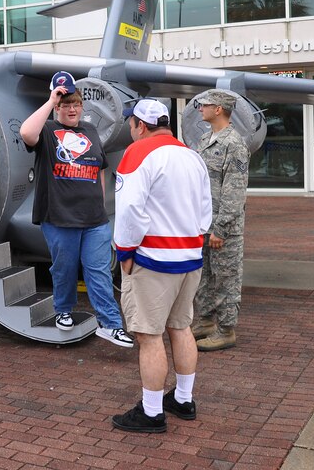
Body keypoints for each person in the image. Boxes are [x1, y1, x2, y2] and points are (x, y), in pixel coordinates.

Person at [111, 99, 212, 433]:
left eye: (131, 123)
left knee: (150, 336)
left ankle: (152, 412)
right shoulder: (191, 155)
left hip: (153, 259)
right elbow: (204, 212)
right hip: (189, 257)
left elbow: (129, 212)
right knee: (180, 327)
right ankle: (183, 398)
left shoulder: (137, 153)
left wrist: (125, 251)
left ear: (141, 124)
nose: (130, 129)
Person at [19, 71, 133, 348]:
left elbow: (99, 171)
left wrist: (101, 206)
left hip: (93, 218)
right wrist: (50, 99)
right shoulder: (47, 131)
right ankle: (64, 309)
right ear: (56, 107)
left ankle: (111, 324)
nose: (71, 109)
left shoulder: (90, 131)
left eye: (76, 103)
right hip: (59, 216)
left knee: (99, 270)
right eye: (65, 103)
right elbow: (26, 132)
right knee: (65, 268)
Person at [191, 90, 250, 352]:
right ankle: (204, 321)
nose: (199, 108)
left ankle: (226, 330)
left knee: (226, 279)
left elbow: (234, 192)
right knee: (203, 277)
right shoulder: (205, 139)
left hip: (222, 228)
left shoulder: (234, 143)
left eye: (205, 104)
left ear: (219, 109)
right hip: (203, 223)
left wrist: (221, 230)